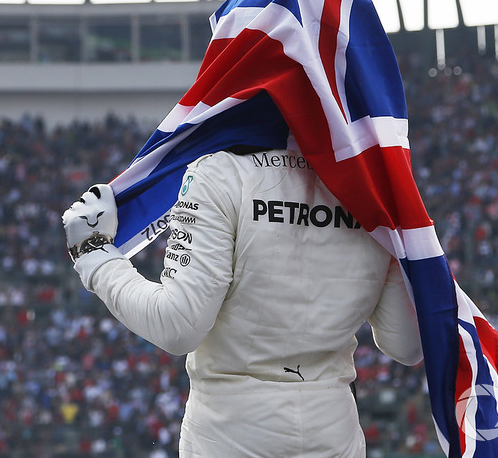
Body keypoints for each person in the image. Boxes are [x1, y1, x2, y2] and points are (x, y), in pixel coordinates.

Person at [63, 144, 423, 457]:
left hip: (231, 431)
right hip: (332, 430)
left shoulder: (220, 173)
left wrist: (95, 256)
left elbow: (177, 325)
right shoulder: (379, 185)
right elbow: (407, 345)